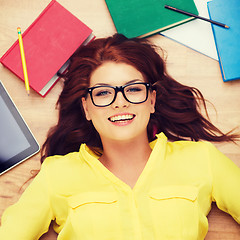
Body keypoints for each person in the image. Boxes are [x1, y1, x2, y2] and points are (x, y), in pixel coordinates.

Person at [0, 33, 240, 240]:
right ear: (86, 108)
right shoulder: (57, 174)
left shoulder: (202, 159)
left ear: (152, 100)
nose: (120, 102)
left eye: (133, 89)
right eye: (103, 93)